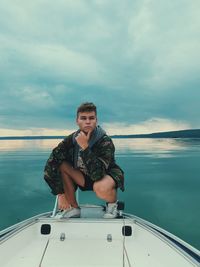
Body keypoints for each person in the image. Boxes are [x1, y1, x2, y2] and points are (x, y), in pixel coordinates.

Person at [44, 102, 124, 218]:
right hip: (82, 176)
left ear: (96, 120)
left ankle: (112, 205)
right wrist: (60, 193)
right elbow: (51, 163)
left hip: (104, 177)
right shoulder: (71, 139)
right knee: (62, 165)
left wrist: (85, 147)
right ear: (77, 121)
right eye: (83, 118)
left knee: (100, 187)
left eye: (91, 118)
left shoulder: (105, 141)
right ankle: (73, 208)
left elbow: (98, 175)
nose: (87, 121)